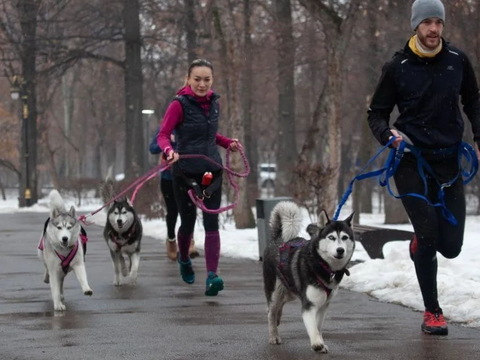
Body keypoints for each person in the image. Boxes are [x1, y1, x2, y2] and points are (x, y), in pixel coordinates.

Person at [367, 0, 480, 336]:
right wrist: (389, 136)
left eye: (438, 22)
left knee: (451, 246)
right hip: (411, 161)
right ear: (416, 25)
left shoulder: (457, 61)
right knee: (429, 233)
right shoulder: (397, 66)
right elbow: (376, 113)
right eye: (427, 22)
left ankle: (419, 246)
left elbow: (473, 99)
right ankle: (433, 312)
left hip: (448, 162)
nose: (434, 29)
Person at [157, 58, 239, 296]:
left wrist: (227, 143)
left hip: (212, 171)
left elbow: (209, 134)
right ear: (188, 79)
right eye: (197, 79)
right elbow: (163, 134)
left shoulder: (214, 103)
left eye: (207, 79)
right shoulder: (178, 104)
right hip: (184, 172)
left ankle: (212, 276)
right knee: (188, 222)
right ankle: (184, 258)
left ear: (212, 80)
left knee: (212, 223)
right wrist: (169, 151)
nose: (202, 84)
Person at [149, 132, 199, 261]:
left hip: (187, 176)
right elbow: (153, 148)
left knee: (188, 209)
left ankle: (190, 241)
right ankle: (171, 240)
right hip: (168, 178)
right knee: (172, 211)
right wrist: (166, 144)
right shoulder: (164, 130)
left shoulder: (188, 127)